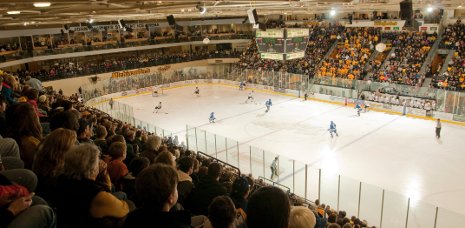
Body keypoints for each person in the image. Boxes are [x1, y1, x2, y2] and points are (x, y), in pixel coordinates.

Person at [123, 164, 191, 228]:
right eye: (176, 188)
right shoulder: (180, 224)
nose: (177, 191)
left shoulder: (132, 217)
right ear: (170, 198)